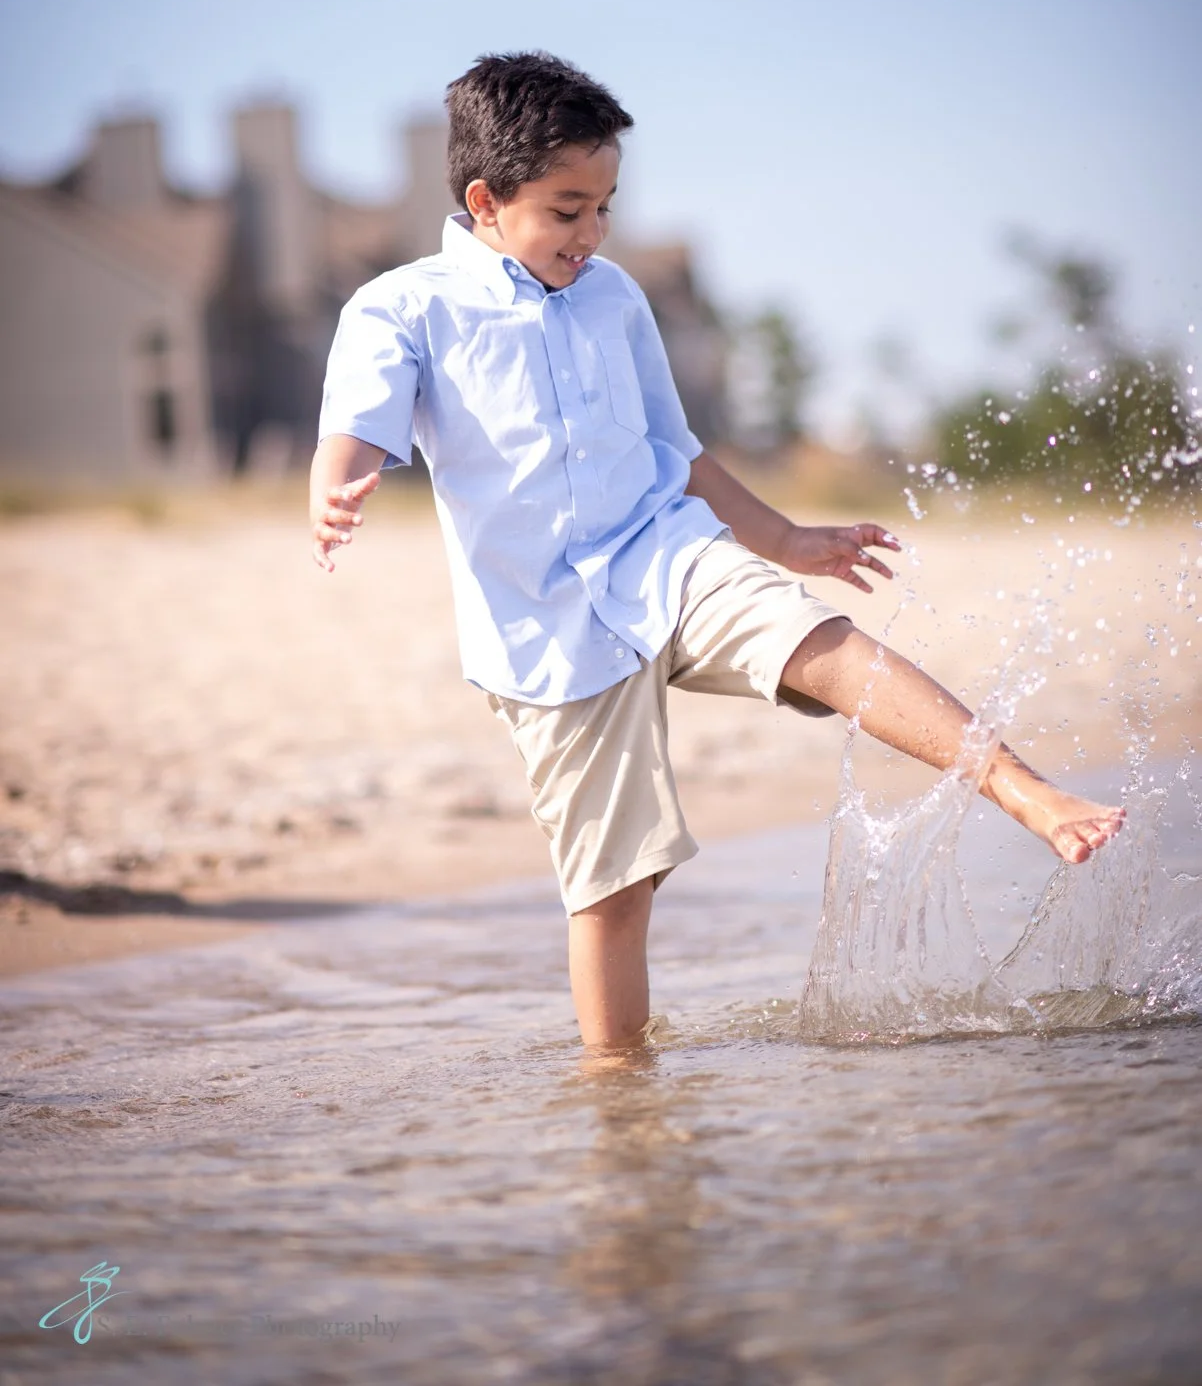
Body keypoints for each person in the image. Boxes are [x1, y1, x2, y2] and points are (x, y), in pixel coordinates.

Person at [309, 51, 1124, 1049]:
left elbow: (677, 452)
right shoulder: (402, 307)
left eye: (603, 208)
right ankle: (619, 1094)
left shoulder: (614, 298)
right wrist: (336, 486)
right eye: (566, 211)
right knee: (615, 887)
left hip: (664, 554)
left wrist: (785, 540)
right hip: (544, 628)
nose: (591, 234)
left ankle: (1026, 793)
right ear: (485, 200)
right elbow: (353, 427)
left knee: (823, 644)